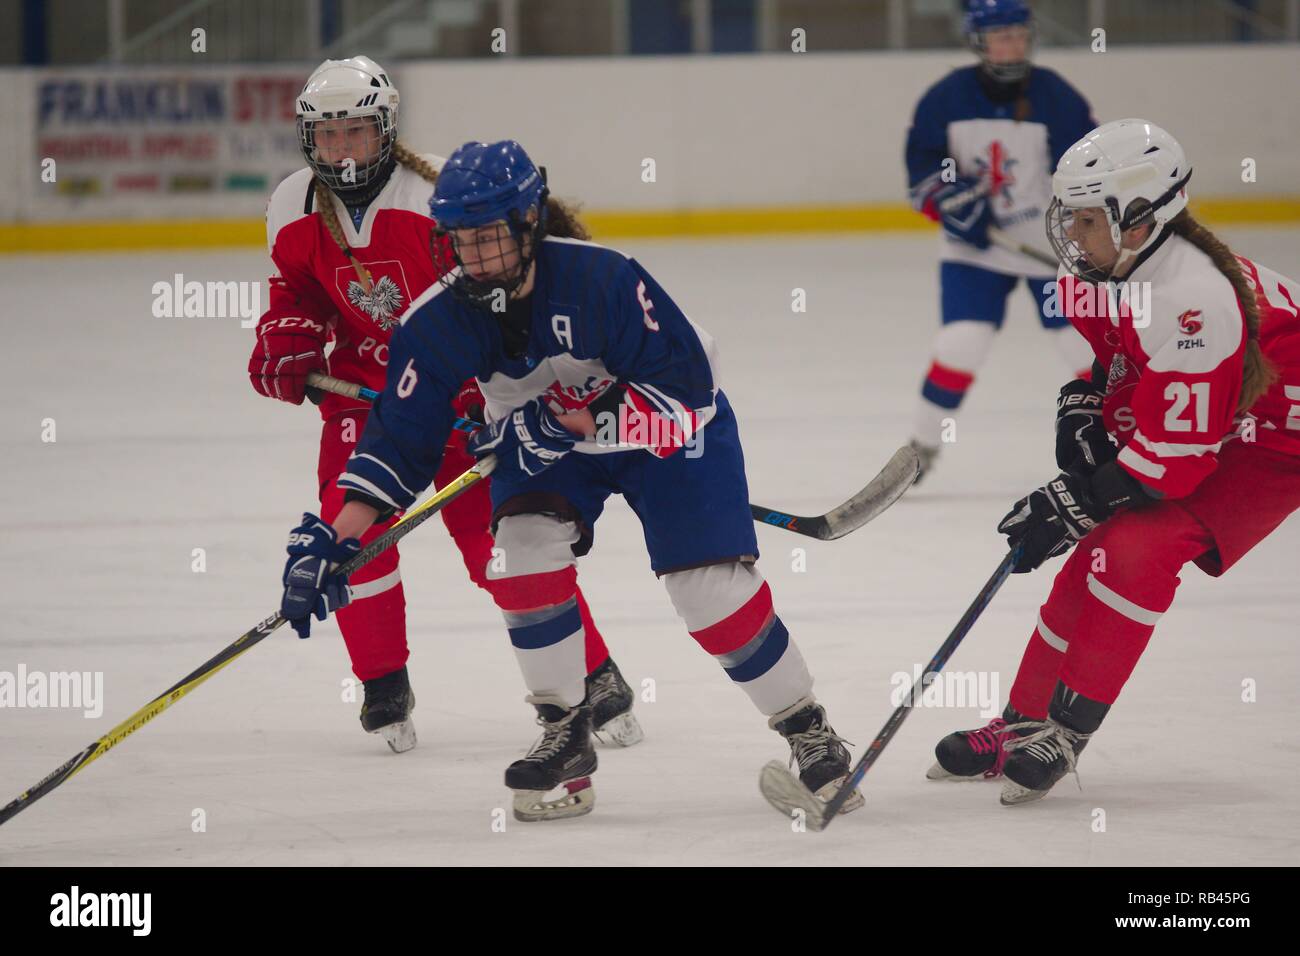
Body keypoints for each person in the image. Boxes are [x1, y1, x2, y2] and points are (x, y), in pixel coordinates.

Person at [276, 139, 864, 821]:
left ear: (530, 224)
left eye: (491, 237)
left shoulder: (604, 281)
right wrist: (335, 537)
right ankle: (565, 731)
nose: (476, 257)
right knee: (519, 554)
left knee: (707, 590)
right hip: (545, 440)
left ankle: (808, 729)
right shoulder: (435, 322)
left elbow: (689, 397)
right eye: (461, 240)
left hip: (663, 432)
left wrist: (579, 425)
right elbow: (399, 445)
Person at [251, 57, 640, 753]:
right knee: (354, 539)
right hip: (364, 398)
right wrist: (289, 339)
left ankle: (593, 673)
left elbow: (509, 289)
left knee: (497, 544)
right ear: (311, 139)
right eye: (330, 136)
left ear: (387, 130)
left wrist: (514, 390)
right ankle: (382, 683)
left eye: (359, 134)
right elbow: (299, 291)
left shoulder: (436, 193)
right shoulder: (293, 204)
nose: (344, 151)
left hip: (465, 391)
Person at [928, 119, 1300, 804]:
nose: (1070, 236)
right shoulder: (1124, 266)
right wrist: (1085, 395)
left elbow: (1175, 465)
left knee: (1135, 546)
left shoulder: (1193, 300)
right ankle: (1022, 721)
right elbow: (1126, 355)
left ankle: (1067, 731)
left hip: (1276, 435)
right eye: (1067, 218)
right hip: (1221, 398)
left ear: (1140, 218)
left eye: (1087, 220)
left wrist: (1077, 500)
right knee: (1099, 539)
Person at [904, 0, 1097, 480]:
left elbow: (1091, 168)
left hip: (1051, 251)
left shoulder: (1055, 96)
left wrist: (1083, 227)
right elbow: (924, 168)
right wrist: (947, 198)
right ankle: (920, 449)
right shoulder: (946, 98)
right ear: (978, 41)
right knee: (961, 343)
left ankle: (1123, 440)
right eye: (1000, 35)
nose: (1011, 44)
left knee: (1085, 349)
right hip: (976, 252)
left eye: (1018, 34)